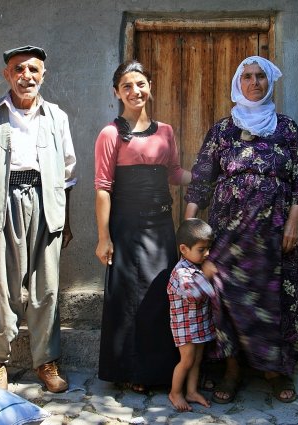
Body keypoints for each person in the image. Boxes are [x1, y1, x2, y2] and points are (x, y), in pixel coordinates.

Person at [184, 56, 298, 404]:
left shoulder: (285, 128)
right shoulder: (223, 129)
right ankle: (232, 369)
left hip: (274, 232)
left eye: (260, 77)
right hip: (229, 232)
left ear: (269, 83)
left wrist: (293, 222)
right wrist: (189, 226)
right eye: (247, 77)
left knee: (277, 299)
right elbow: (201, 179)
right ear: (237, 83)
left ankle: (276, 371)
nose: (254, 82)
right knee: (227, 298)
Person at [0, 45, 76, 393]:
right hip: (1, 204)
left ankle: (46, 362)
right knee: (1, 288)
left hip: (47, 204)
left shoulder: (56, 116)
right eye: (18, 69)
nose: (26, 76)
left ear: (43, 75)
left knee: (47, 288)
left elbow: (68, 174)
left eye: (33, 70)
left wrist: (65, 221)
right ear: (7, 75)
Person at [94, 60, 192, 392]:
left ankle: (156, 371)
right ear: (116, 93)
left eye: (140, 84)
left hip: (162, 226)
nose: (135, 91)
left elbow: (175, 174)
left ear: (150, 87)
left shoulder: (166, 131)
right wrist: (103, 237)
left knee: (159, 296)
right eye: (127, 86)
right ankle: (130, 371)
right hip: (126, 228)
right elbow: (103, 188)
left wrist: (211, 178)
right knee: (127, 299)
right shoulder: (110, 133)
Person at [167, 218, 216, 412]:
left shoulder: (196, 266)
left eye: (208, 248)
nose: (207, 254)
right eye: (201, 250)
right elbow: (193, 296)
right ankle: (175, 392)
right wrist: (207, 276)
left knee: (197, 359)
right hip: (185, 326)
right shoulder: (182, 272)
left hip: (200, 323)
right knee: (186, 360)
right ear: (184, 249)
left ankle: (191, 391)